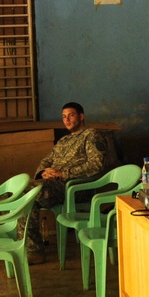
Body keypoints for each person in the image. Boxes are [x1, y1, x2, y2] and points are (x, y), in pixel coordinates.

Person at [25, 102, 107, 262]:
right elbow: (46, 160)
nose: (67, 120)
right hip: (51, 184)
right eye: (64, 117)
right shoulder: (63, 141)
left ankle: (33, 250)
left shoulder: (91, 135)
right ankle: (28, 248)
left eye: (71, 115)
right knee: (15, 193)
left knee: (28, 192)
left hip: (74, 187)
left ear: (81, 116)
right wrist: (43, 172)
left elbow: (96, 164)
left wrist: (64, 173)